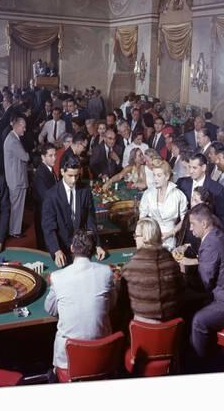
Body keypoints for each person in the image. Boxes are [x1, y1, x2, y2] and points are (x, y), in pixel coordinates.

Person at [44, 230, 117, 370]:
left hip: (68, 363)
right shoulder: (106, 272)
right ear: (93, 251)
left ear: (71, 248)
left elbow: (50, 309)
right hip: (102, 356)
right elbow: (111, 304)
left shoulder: (57, 277)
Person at [189, 204, 224, 358]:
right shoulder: (218, 233)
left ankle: (202, 365)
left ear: (204, 224)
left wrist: (183, 278)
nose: (190, 229)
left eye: (192, 224)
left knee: (198, 320)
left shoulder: (209, 244)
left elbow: (205, 283)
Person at [41, 156, 105, 267]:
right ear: (62, 172)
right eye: (70, 176)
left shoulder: (85, 191)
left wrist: (97, 245)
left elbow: (90, 220)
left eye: (76, 175)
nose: (74, 180)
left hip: (82, 249)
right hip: (62, 250)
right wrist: (56, 250)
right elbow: (49, 227)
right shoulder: (51, 196)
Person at [121, 218, 183, 322]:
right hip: (172, 321)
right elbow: (181, 289)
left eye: (136, 236)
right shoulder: (170, 260)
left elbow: (123, 300)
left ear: (145, 238)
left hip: (142, 326)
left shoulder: (131, 266)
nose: (135, 239)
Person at [177, 153, 224, 239]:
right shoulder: (182, 183)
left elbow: (221, 217)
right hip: (185, 234)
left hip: (205, 235)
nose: (191, 171)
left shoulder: (216, 188)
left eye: (194, 168)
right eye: (189, 167)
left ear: (204, 168)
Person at [139, 159, 188, 250]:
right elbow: (142, 218)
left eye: (159, 175)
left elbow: (184, 219)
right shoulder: (148, 194)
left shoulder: (178, 195)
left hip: (170, 240)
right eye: (154, 175)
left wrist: (171, 233)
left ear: (167, 176)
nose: (155, 179)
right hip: (151, 238)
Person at [3, 115, 29, 238]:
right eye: (23, 127)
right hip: (17, 179)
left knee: (15, 206)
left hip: (14, 178)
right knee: (17, 207)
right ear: (17, 126)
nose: (25, 129)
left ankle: (14, 228)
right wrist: (29, 153)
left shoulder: (11, 137)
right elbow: (25, 157)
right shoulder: (13, 140)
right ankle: (15, 231)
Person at [32, 144, 58, 250]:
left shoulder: (49, 170)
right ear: (43, 157)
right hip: (44, 215)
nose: (54, 158)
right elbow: (46, 197)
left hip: (48, 213)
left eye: (55, 155)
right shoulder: (41, 173)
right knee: (46, 247)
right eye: (50, 156)